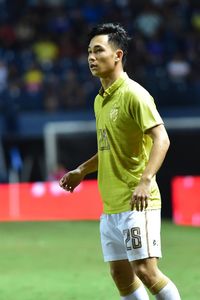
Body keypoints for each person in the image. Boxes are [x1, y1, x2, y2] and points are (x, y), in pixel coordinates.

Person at [59, 23, 181, 300]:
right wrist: (82, 170)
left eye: (98, 50)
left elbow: (162, 139)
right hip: (111, 204)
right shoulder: (99, 100)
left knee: (146, 271)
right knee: (120, 275)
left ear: (118, 55)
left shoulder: (134, 94)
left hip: (137, 200)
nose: (91, 57)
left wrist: (145, 180)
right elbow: (108, 150)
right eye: (89, 51)